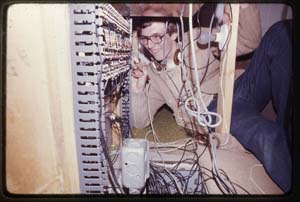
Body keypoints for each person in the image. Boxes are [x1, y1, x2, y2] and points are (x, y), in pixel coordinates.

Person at [130, 4, 292, 192]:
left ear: (173, 32)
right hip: (213, 110)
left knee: (280, 33)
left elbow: (248, 41)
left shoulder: (197, 40)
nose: (150, 45)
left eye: (157, 37)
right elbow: (140, 121)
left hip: (236, 87)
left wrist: (244, 6)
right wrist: (138, 88)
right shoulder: (155, 75)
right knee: (267, 135)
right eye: (145, 39)